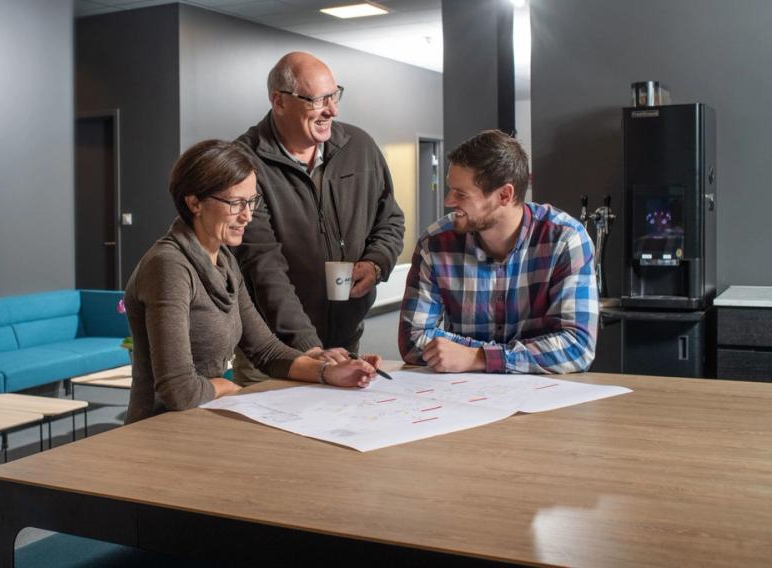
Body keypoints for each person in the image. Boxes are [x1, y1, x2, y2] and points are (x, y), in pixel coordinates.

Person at [123, 140, 381, 424]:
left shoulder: (224, 260)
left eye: (252, 201)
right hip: (159, 430)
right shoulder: (169, 266)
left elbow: (266, 349)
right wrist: (229, 387)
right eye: (236, 203)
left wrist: (325, 371)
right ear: (194, 202)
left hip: (203, 420)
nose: (247, 215)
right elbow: (178, 390)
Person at [233, 51, 405, 385]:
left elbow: (390, 219)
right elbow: (263, 266)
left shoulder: (360, 146)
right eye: (318, 100)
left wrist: (377, 263)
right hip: (274, 350)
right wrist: (310, 350)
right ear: (279, 101)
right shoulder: (245, 162)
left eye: (334, 95)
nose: (332, 110)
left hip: (345, 336)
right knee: (268, 437)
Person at [398, 130, 598, 374]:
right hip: (463, 399)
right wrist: (510, 356)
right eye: (451, 189)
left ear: (504, 195)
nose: (448, 201)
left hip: (548, 400)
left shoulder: (566, 240)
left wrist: (478, 357)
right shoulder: (435, 243)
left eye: (460, 193)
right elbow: (413, 339)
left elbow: (578, 346)